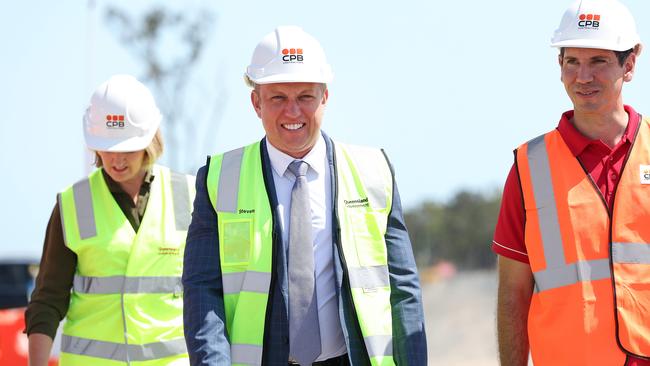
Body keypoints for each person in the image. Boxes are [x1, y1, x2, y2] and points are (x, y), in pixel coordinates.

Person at [182, 26, 427, 365]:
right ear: (256, 102)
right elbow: (202, 290)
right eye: (278, 98)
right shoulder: (219, 179)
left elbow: (403, 289)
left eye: (305, 98)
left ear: (324, 97)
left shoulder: (374, 171)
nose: (292, 112)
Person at [493, 0, 650, 365]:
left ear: (630, 63)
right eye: (572, 62)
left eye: (598, 61)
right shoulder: (528, 168)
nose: (582, 77)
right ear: (559, 66)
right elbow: (512, 295)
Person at [25, 74, 195, 365]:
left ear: (150, 140)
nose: (116, 160)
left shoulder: (190, 195)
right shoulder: (72, 205)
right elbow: (47, 299)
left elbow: (211, 291)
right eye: (107, 148)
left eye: (127, 148)